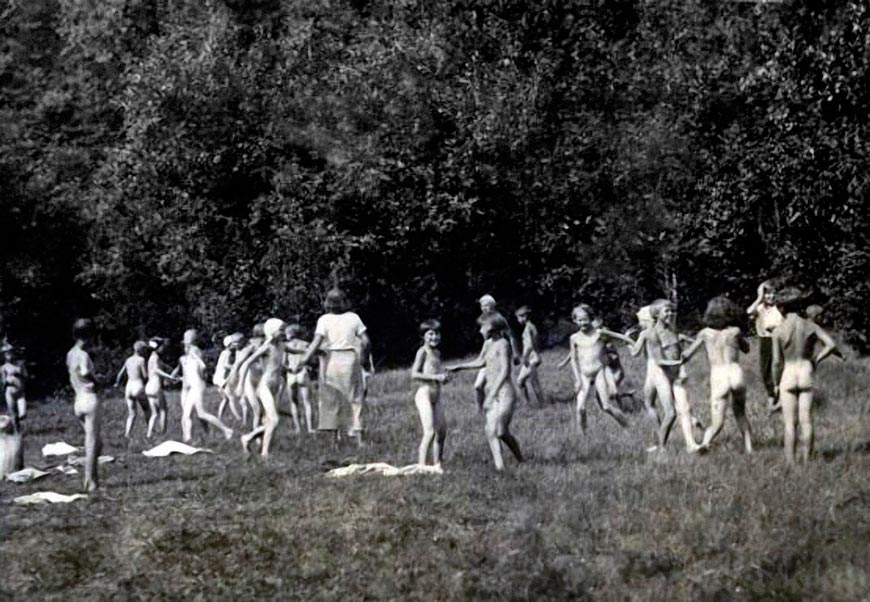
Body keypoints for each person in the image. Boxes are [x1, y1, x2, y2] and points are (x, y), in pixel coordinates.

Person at [292, 289, 371, 444]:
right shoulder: (353, 317)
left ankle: (334, 442)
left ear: (327, 303)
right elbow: (366, 341)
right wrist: (364, 358)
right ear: (344, 301)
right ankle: (360, 440)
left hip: (331, 360)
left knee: (331, 399)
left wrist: (304, 360)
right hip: (349, 358)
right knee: (356, 399)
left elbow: (316, 343)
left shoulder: (324, 320)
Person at [448, 314, 523, 471]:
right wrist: (459, 366)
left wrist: (492, 394)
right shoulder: (488, 344)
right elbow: (481, 361)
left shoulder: (503, 344)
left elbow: (505, 370)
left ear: (493, 328)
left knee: (501, 431)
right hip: (492, 391)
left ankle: (521, 459)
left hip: (505, 393)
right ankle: (500, 467)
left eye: (483, 327)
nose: (480, 330)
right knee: (490, 430)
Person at [770, 287, 837, 463]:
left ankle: (790, 463)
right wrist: (816, 359)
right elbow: (831, 344)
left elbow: (776, 362)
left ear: (781, 307)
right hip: (806, 371)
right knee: (806, 421)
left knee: (790, 424)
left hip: (788, 374)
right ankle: (807, 461)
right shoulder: (811, 325)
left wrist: (776, 384)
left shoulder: (778, 330)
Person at [681, 297, 753, 453]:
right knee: (740, 413)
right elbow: (747, 349)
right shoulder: (735, 331)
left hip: (718, 374)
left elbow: (687, 355)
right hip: (735, 372)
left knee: (717, 422)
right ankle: (749, 447)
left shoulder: (704, 334)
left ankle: (705, 443)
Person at [639, 301, 700, 452]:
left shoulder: (672, 330)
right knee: (671, 413)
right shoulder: (652, 333)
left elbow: (679, 351)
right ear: (656, 314)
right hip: (661, 375)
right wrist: (679, 361)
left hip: (676, 374)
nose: (670, 314)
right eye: (667, 311)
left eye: (672, 311)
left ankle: (690, 445)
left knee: (685, 409)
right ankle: (661, 448)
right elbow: (659, 360)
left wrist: (684, 360)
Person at [568, 304, 633, 434]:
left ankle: (627, 426)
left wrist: (634, 344)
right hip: (584, 375)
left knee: (606, 406)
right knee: (580, 408)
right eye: (579, 320)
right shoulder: (574, 338)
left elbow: (622, 337)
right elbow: (573, 360)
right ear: (575, 321)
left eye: (586, 319)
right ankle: (582, 436)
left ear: (591, 318)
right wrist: (577, 379)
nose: (583, 322)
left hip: (599, 372)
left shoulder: (599, 334)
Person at [172, 329, 233, 443]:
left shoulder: (194, 350)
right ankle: (188, 439)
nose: (184, 341)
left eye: (187, 338)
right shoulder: (188, 352)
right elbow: (191, 369)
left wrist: (200, 367)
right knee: (186, 414)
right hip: (194, 386)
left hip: (197, 385)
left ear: (192, 339)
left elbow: (202, 366)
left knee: (201, 413)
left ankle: (226, 430)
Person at [238, 318, 286, 456]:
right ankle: (265, 453)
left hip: (275, 386)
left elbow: (296, 351)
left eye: (283, 329)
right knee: (275, 420)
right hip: (264, 386)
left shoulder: (282, 345)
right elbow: (247, 362)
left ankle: (248, 439)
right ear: (271, 331)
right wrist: (241, 385)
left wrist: (315, 351)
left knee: (269, 421)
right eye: (280, 330)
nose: (283, 333)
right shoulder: (267, 347)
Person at [66, 318, 102, 491]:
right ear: (88, 336)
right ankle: (91, 480)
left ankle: (92, 477)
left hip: (77, 399)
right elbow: (86, 372)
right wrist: (98, 380)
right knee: (92, 441)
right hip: (89, 398)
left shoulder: (70, 354)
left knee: (97, 442)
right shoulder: (83, 355)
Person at [411, 319, 449, 467]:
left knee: (442, 431)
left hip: (436, 393)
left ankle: (437, 463)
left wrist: (444, 378)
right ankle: (421, 465)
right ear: (423, 336)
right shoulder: (422, 351)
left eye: (437, 333)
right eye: (431, 334)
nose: (435, 337)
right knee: (430, 431)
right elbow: (414, 374)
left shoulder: (437, 352)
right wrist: (435, 377)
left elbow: (436, 372)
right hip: (424, 394)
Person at [473, 295, 519, 409]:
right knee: (478, 386)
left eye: (485, 305)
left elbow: (511, 336)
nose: (483, 308)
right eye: (481, 306)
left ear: (492, 306)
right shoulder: (483, 320)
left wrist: (516, 353)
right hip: (487, 357)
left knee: (503, 383)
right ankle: (479, 408)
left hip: (499, 357)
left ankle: (505, 405)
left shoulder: (499, 320)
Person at [747, 280, 784, 410]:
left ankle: (780, 396)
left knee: (780, 367)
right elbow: (749, 312)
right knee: (765, 370)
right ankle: (772, 395)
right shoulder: (760, 308)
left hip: (780, 340)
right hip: (765, 341)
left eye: (774, 293)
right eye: (768, 294)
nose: (771, 296)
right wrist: (759, 297)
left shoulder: (781, 308)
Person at [226, 324, 265, 429]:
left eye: (236, 342)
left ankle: (259, 430)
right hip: (248, 380)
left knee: (261, 409)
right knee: (257, 409)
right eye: (233, 343)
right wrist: (235, 380)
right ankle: (255, 433)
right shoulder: (244, 349)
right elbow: (238, 364)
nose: (234, 345)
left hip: (257, 378)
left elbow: (240, 363)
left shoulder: (251, 346)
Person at [115, 340, 150, 439]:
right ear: (142, 350)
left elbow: (120, 374)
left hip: (128, 387)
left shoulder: (128, 360)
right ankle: (149, 431)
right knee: (147, 410)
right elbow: (145, 375)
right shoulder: (141, 360)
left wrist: (117, 383)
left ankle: (127, 433)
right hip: (137, 385)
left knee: (132, 414)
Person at [284, 323, 314, 433]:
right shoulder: (306, 344)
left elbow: (283, 363)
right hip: (303, 372)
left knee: (294, 402)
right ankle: (310, 428)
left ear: (290, 334)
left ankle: (298, 428)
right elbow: (312, 359)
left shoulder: (286, 346)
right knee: (307, 402)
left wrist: (289, 369)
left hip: (291, 373)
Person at [144, 337, 177, 437]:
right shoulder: (156, 358)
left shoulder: (151, 358)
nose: (163, 348)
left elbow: (160, 366)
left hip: (148, 387)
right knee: (163, 410)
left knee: (154, 413)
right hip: (155, 386)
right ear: (158, 347)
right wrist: (169, 376)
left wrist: (169, 370)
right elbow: (157, 370)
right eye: (162, 346)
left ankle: (149, 434)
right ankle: (163, 433)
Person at [515, 306, 546, 406]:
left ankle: (542, 404)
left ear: (524, 316)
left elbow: (529, 346)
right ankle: (527, 403)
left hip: (532, 358)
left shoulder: (528, 328)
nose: (518, 320)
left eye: (518, 318)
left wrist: (524, 358)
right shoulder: (531, 327)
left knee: (533, 381)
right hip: (533, 357)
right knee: (520, 381)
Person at [214, 333, 243, 421]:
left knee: (226, 399)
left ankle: (219, 417)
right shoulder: (227, 353)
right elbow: (226, 365)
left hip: (219, 378)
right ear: (229, 345)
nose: (237, 345)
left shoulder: (226, 352)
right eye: (235, 343)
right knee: (231, 398)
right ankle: (239, 418)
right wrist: (234, 367)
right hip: (221, 378)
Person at [1, 341, 27, 425]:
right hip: (9, 392)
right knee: (13, 414)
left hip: (20, 392)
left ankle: (17, 421)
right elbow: (3, 381)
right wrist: (7, 381)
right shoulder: (3, 367)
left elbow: (26, 376)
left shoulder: (20, 364)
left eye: (10, 353)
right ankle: (16, 430)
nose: (9, 356)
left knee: (22, 414)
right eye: (7, 354)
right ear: (4, 356)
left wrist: (20, 373)